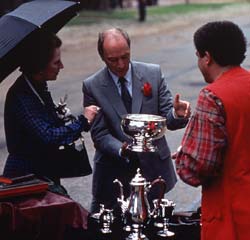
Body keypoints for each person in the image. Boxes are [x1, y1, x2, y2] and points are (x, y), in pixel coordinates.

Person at [82, 27, 191, 213]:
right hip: (114, 173)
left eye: (125, 56)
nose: (120, 64)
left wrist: (177, 115)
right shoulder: (92, 85)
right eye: (113, 60)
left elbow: (167, 118)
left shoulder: (152, 74)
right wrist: (122, 149)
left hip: (153, 170)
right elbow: (99, 134)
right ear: (102, 56)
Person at [174, 21, 250, 239]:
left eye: (198, 56)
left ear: (207, 57)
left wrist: (184, 155)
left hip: (230, 216)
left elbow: (199, 167)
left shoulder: (212, 95)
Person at [3, 30, 98, 195]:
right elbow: (48, 136)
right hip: (25, 178)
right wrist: (82, 121)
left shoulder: (38, 86)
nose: (61, 66)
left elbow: (49, 126)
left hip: (41, 172)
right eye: (56, 62)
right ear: (40, 67)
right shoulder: (22, 95)